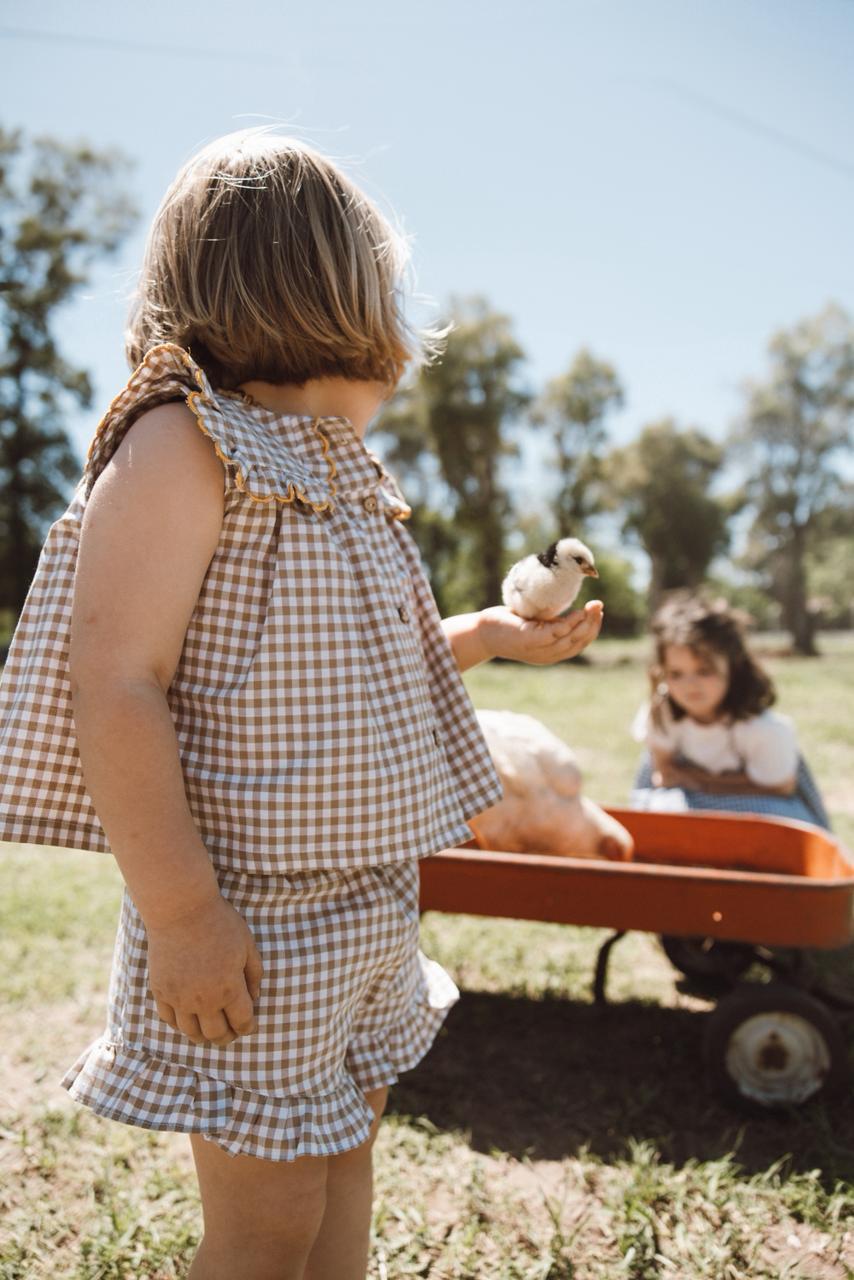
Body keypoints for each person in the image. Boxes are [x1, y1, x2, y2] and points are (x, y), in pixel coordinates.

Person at [0, 128, 603, 1280]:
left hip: (369, 898)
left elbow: (355, 666)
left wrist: (486, 634)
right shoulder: (180, 441)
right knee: (267, 1222)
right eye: (388, 305)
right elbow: (115, 683)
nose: (401, 347)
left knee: (343, 1158)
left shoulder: (338, 467)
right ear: (329, 297)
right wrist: (184, 913)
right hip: (247, 916)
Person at [629, 592, 829, 828]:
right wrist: (694, 784)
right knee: (659, 811)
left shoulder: (762, 728)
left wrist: (698, 781)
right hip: (691, 800)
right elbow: (664, 773)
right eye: (676, 674)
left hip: (760, 801)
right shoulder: (663, 713)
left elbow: (779, 787)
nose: (690, 685)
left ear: (732, 667)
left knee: (779, 822)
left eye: (704, 671)